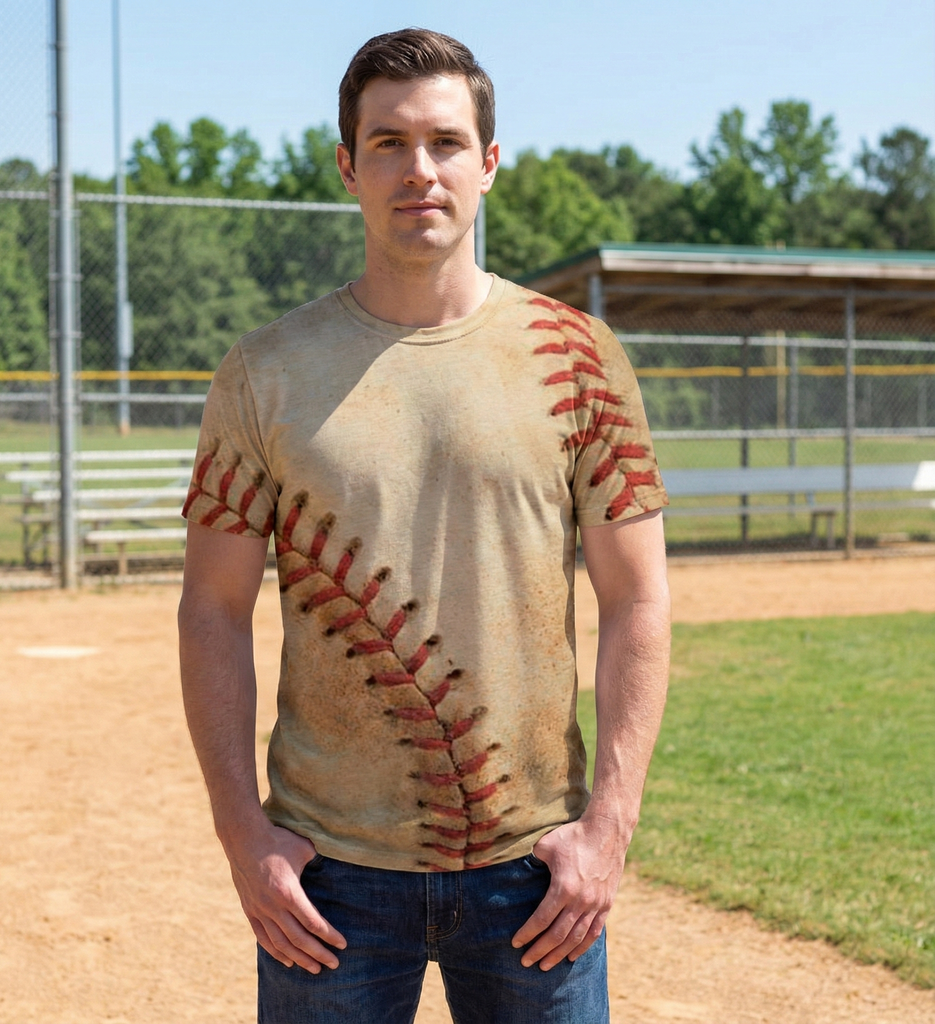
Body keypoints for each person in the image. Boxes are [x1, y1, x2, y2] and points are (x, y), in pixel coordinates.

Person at [178, 27, 671, 1024]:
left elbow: (638, 597)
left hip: (535, 871)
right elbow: (210, 609)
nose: (419, 170)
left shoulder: (579, 358)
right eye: (389, 142)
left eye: (445, 142)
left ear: (488, 164)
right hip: (330, 876)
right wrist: (244, 832)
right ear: (346, 165)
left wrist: (607, 827)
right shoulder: (264, 371)